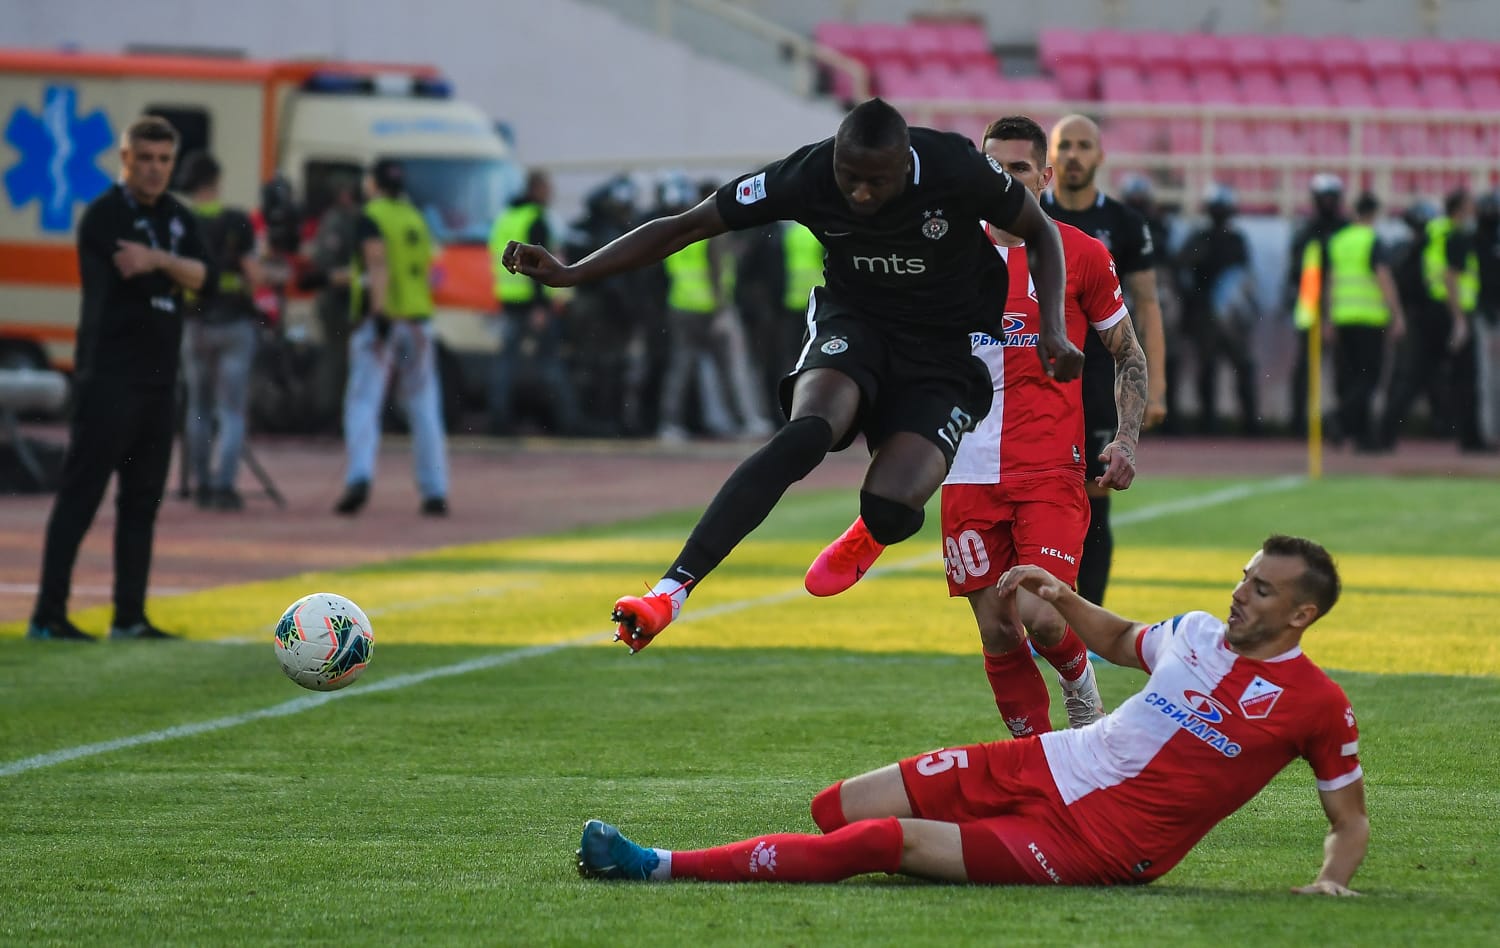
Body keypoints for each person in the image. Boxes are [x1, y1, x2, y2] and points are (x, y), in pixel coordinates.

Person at [503, 98, 1082, 653]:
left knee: (890, 508)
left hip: (942, 351)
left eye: (874, 182)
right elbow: (686, 226)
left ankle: (871, 530)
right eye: (848, 176)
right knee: (809, 430)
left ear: (904, 167)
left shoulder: (955, 166)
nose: (857, 192)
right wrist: (572, 274)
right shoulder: (804, 175)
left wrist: (1053, 328)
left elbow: (1042, 232)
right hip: (856, 323)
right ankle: (670, 592)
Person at [576, 535, 1367, 895]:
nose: (1240, 592)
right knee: (835, 809)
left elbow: (1348, 818)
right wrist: (1064, 598)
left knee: (878, 843)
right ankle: (790, 855)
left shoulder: (1316, 705)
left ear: (1300, 616)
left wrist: (1331, 881)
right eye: (1244, 576)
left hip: (1094, 841)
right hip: (1050, 763)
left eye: (1261, 589)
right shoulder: (1197, 632)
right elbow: (1124, 640)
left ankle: (656, 865)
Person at [805, 116, 1147, 736]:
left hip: (1048, 469)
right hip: (964, 471)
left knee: (1043, 617)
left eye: (1019, 169)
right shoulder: (940, 251)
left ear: (1043, 178)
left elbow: (1127, 351)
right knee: (997, 630)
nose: (1005, 181)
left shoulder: (1081, 255)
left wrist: (1125, 439)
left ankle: (1080, 690)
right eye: (995, 168)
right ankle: (1037, 758)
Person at [27, 116, 211, 641]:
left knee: (142, 502)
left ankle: (129, 615)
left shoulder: (178, 217)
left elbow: (208, 278)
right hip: (109, 378)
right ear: (125, 161)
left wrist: (157, 259)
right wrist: (176, 268)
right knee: (81, 496)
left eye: (163, 160)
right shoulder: (105, 216)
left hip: (159, 382)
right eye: (145, 159)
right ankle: (47, 613)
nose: (155, 170)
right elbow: (142, 273)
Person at [1040, 114, 1168, 607]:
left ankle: (1088, 621)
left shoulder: (1125, 224)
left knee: (1094, 500)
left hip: (1099, 375)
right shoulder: (1028, 220)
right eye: (1064, 145)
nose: (1073, 154)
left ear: (1100, 156)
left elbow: (1147, 304)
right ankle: (1039, 616)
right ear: (1050, 156)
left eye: (1083, 145)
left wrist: (1154, 388)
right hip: (1037, 377)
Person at [333, 158, 450, 517]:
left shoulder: (372, 216)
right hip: (419, 321)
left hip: (384, 321)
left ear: (372, 183)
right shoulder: (415, 217)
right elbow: (429, 271)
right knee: (425, 407)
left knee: (364, 402)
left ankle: (360, 476)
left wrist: (379, 313)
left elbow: (377, 263)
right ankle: (435, 489)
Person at [177, 152, 273, 511]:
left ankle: (200, 485)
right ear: (216, 181)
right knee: (231, 411)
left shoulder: (180, 222)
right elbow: (256, 276)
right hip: (233, 324)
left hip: (195, 325)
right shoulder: (236, 221)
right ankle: (224, 487)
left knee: (197, 408)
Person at [655, 174, 773, 441]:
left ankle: (669, 424)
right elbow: (717, 272)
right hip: (713, 308)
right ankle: (748, 420)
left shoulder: (681, 228)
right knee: (734, 367)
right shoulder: (712, 228)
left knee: (680, 368)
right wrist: (722, 310)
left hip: (681, 305)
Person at [487, 168, 581, 436]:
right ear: (536, 189)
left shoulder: (506, 216)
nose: (550, 194)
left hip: (508, 300)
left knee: (505, 363)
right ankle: (566, 421)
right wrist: (540, 305)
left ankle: (499, 419)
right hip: (534, 304)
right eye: (547, 188)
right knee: (550, 362)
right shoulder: (535, 218)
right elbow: (535, 266)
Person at [1323, 193, 1406, 453]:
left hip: (1343, 316)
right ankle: (1339, 417)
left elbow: (1331, 281)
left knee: (1353, 378)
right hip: (1369, 317)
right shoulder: (1372, 240)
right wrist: (1396, 313)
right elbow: (1384, 278)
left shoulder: (1338, 241)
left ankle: (1364, 438)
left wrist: (1328, 317)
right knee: (1370, 379)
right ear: (1373, 214)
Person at [1176, 183, 1262, 435]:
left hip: (1232, 317)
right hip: (1205, 315)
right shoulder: (1199, 239)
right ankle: (1208, 423)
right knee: (1208, 369)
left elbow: (1244, 279)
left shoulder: (1236, 241)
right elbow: (1181, 269)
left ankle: (1250, 424)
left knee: (1243, 367)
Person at [1120, 174, 1184, 434]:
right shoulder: (1121, 225)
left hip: (1156, 290)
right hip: (1124, 289)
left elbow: (1170, 262)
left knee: (1165, 353)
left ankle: (1166, 412)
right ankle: (1125, 416)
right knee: (1125, 356)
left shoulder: (1159, 227)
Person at [1287, 174, 1349, 439]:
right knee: (1306, 367)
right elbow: (1295, 273)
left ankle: (1342, 422)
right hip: (1312, 309)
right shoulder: (1306, 232)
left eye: (1331, 197)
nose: (1327, 202)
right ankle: (1299, 422)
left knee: (1344, 369)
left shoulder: (1346, 230)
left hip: (1343, 306)